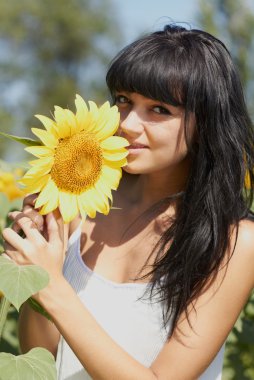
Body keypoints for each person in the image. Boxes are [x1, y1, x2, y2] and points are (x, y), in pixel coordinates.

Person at [3, 24, 254, 380]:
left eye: (160, 110)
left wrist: (52, 287)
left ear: (207, 125)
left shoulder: (232, 242)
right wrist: (38, 268)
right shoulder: (82, 203)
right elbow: (41, 358)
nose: (129, 124)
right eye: (123, 100)